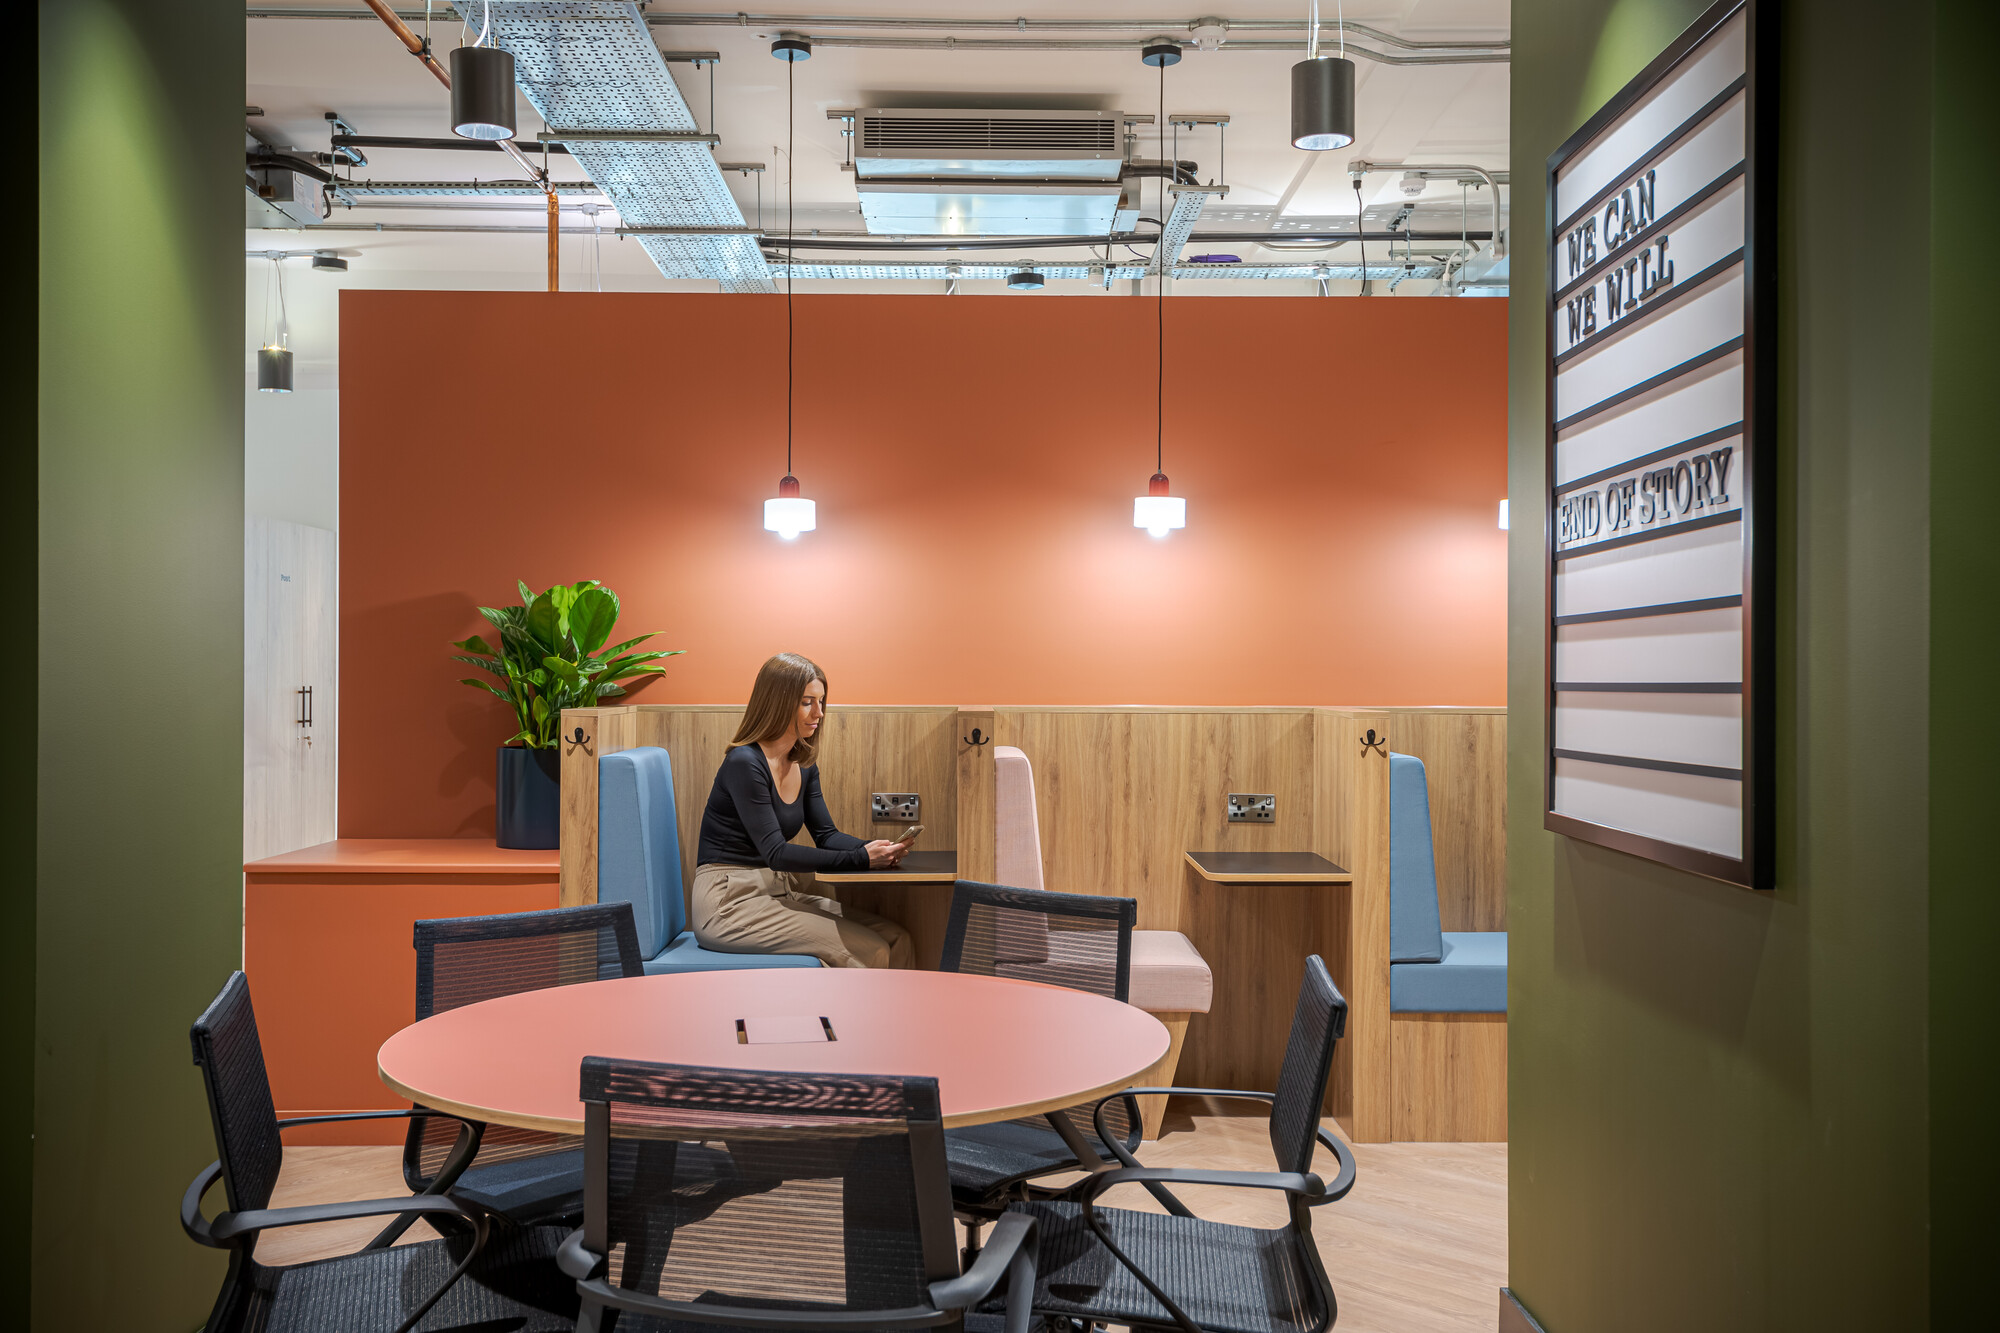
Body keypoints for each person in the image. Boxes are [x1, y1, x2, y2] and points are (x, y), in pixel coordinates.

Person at [690, 652, 915, 969]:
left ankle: (903, 1019)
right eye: (808, 702)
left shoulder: (803, 763)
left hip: (776, 893)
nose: (819, 712)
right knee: (871, 950)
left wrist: (874, 848)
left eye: (821, 702)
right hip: (729, 904)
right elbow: (776, 852)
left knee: (896, 937)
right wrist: (862, 858)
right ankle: (859, 1020)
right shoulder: (744, 762)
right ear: (779, 702)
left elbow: (827, 835)